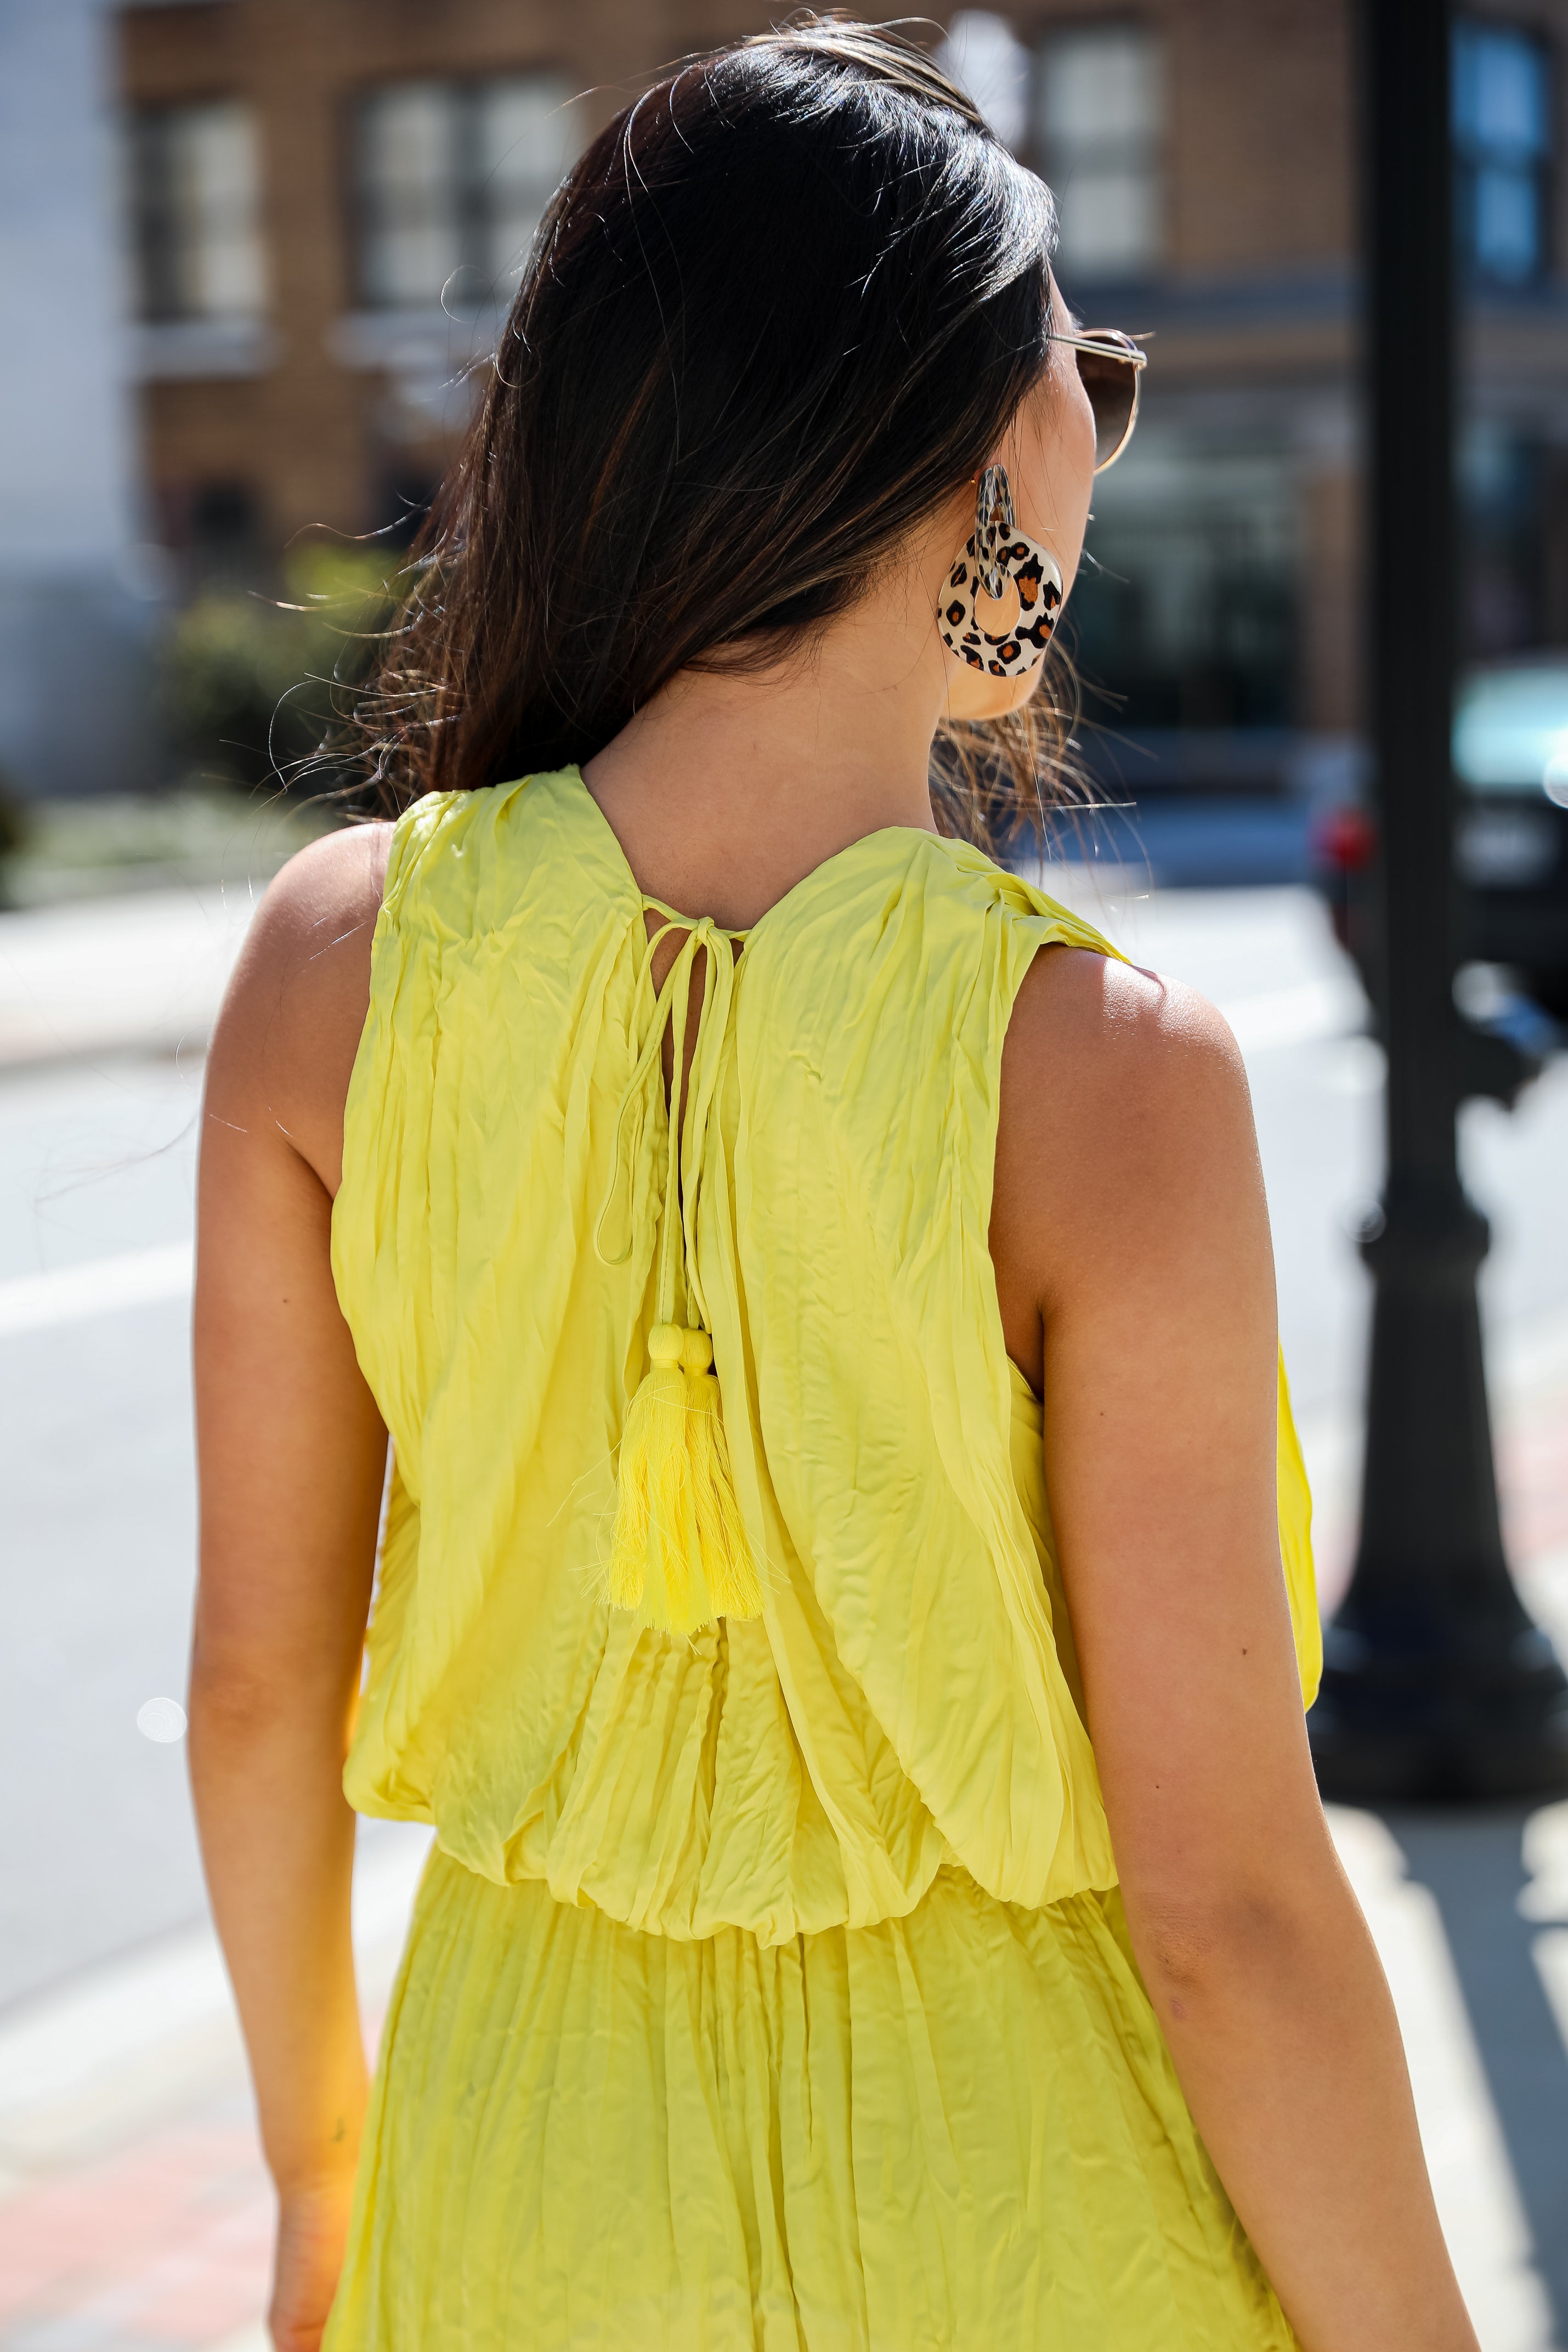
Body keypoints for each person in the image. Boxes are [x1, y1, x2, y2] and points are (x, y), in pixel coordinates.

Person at [190, 21, 1479, 2351]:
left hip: (511, 2172)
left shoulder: (327, 966)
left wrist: (316, 2178)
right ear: (987, 455)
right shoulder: (1100, 1074)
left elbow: (262, 1687)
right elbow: (1226, 1906)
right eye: (1082, 364)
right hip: (1026, 2206)